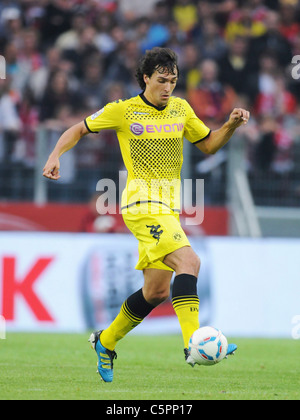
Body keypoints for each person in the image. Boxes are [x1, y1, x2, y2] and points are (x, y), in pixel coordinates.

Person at [43, 47, 250, 383]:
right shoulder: (124, 111)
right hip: (141, 206)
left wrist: (230, 125)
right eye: (161, 80)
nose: (168, 87)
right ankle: (193, 345)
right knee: (189, 263)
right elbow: (77, 129)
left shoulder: (181, 109)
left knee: (155, 292)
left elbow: (209, 144)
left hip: (168, 209)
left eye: (173, 80)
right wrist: (55, 155)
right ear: (146, 78)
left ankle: (106, 342)